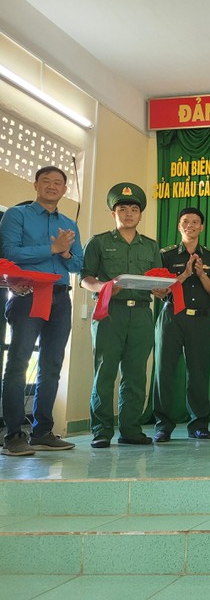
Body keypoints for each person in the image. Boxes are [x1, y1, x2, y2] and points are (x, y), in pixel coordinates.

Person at [0, 166, 82, 456]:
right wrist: (52, 249)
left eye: (58, 182)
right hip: (28, 295)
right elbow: (10, 252)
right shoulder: (16, 215)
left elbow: (77, 265)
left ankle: (42, 432)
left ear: (64, 190)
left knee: (52, 366)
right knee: (18, 363)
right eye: (46, 181)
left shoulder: (69, 224)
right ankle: (13, 435)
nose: (52, 186)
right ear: (35, 185)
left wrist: (66, 252)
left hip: (60, 298)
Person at [81, 183, 160, 448]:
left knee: (136, 374)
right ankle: (101, 431)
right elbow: (85, 277)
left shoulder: (151, 246)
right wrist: (102, 287)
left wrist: (161, 289)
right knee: (105, 372)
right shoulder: (99, 242)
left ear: (140, 214)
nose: (128, 214)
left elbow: (157, 279)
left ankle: (130, 429)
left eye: (134, 209)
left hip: (141, 314)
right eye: (122, 209)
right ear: (113, 213)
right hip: (109, 313)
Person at [152, 207, 210, 442]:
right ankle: (163, 426)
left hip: (200, 319)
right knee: (164, 371)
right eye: (185, 221)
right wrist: (184, 275)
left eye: (195, 222)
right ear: (179, 226)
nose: (190, 225)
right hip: (171, 316)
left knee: (199, 372)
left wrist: (201, 274)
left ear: (202, 227)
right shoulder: (166, 255)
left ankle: (199, 425)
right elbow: (160, 291)